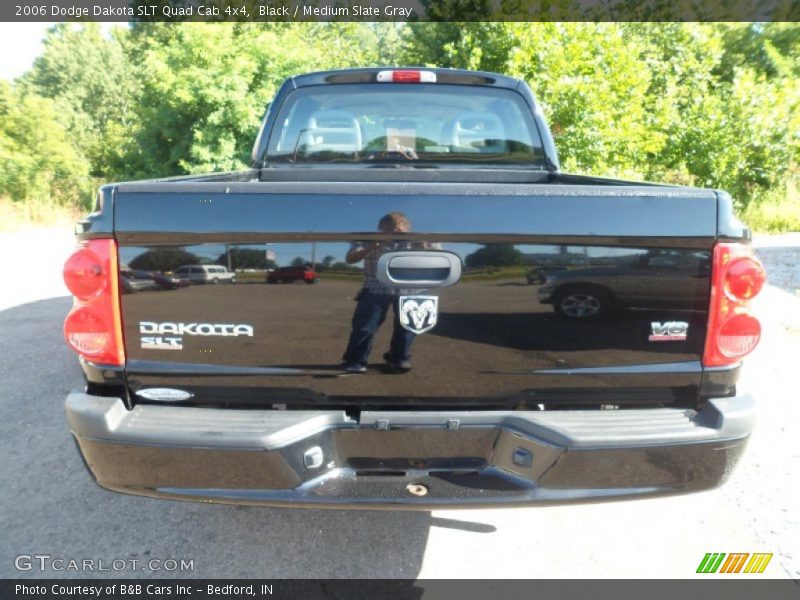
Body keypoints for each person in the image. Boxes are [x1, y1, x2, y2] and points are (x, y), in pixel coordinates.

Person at [341, 212, 421, 373]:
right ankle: (357, 360)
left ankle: (399, 358)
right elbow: (350, 259)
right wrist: (373, 245)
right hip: (376, 287)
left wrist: (423, 246)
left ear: (407, 229)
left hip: (410, 288)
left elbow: (438, 256)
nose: (392, 234)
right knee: (364, 326)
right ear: (379, 229)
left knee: (409, 327)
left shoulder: (418, 239)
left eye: (397, 230)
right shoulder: (367, 238)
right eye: (387, 230)